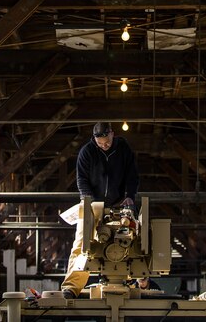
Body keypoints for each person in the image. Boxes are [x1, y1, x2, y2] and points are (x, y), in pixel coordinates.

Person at [61, 122, 139, 299]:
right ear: (95, 139)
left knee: (130, 238)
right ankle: (72, 287)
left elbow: (132, 174)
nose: (104, 146)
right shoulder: (87, 152)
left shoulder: (123, 148)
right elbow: (81, 179)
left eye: (107, 142)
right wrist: (88, 201)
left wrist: (130, 196)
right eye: (101, 144)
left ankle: (127, 280)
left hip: (120, 203)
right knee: (82, 242)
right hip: (93, 203)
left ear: (112, 134)